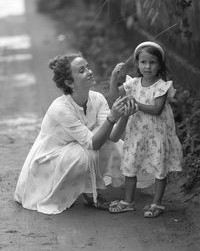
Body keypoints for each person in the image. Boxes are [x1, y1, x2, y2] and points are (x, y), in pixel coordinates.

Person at [14, 54, 135, 215]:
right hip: (49, 159)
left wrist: (125, 116)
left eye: (88, 67)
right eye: (82, 71)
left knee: (114, 146)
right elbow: (93, 144)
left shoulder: (97, 98)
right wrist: (112, 118)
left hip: (74, 151)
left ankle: (85, 189)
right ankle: (87, 194)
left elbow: (112, 137)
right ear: (69, 83)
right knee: (85, 154)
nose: (89, 72)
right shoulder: (61, 108)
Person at [108, 41, 183, 217]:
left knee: (159, 168)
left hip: (157, 135)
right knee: (130, 166)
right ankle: (128, 201)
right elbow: (113, 97)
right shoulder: (132, 84)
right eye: (143, 62)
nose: (147, 66)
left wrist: (135, 103)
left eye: (152, 62)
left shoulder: (162, 86)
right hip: (137, 134)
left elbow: (156, 110)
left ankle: (156, 203)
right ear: (137, 63)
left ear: (160, 64)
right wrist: (113, 77)